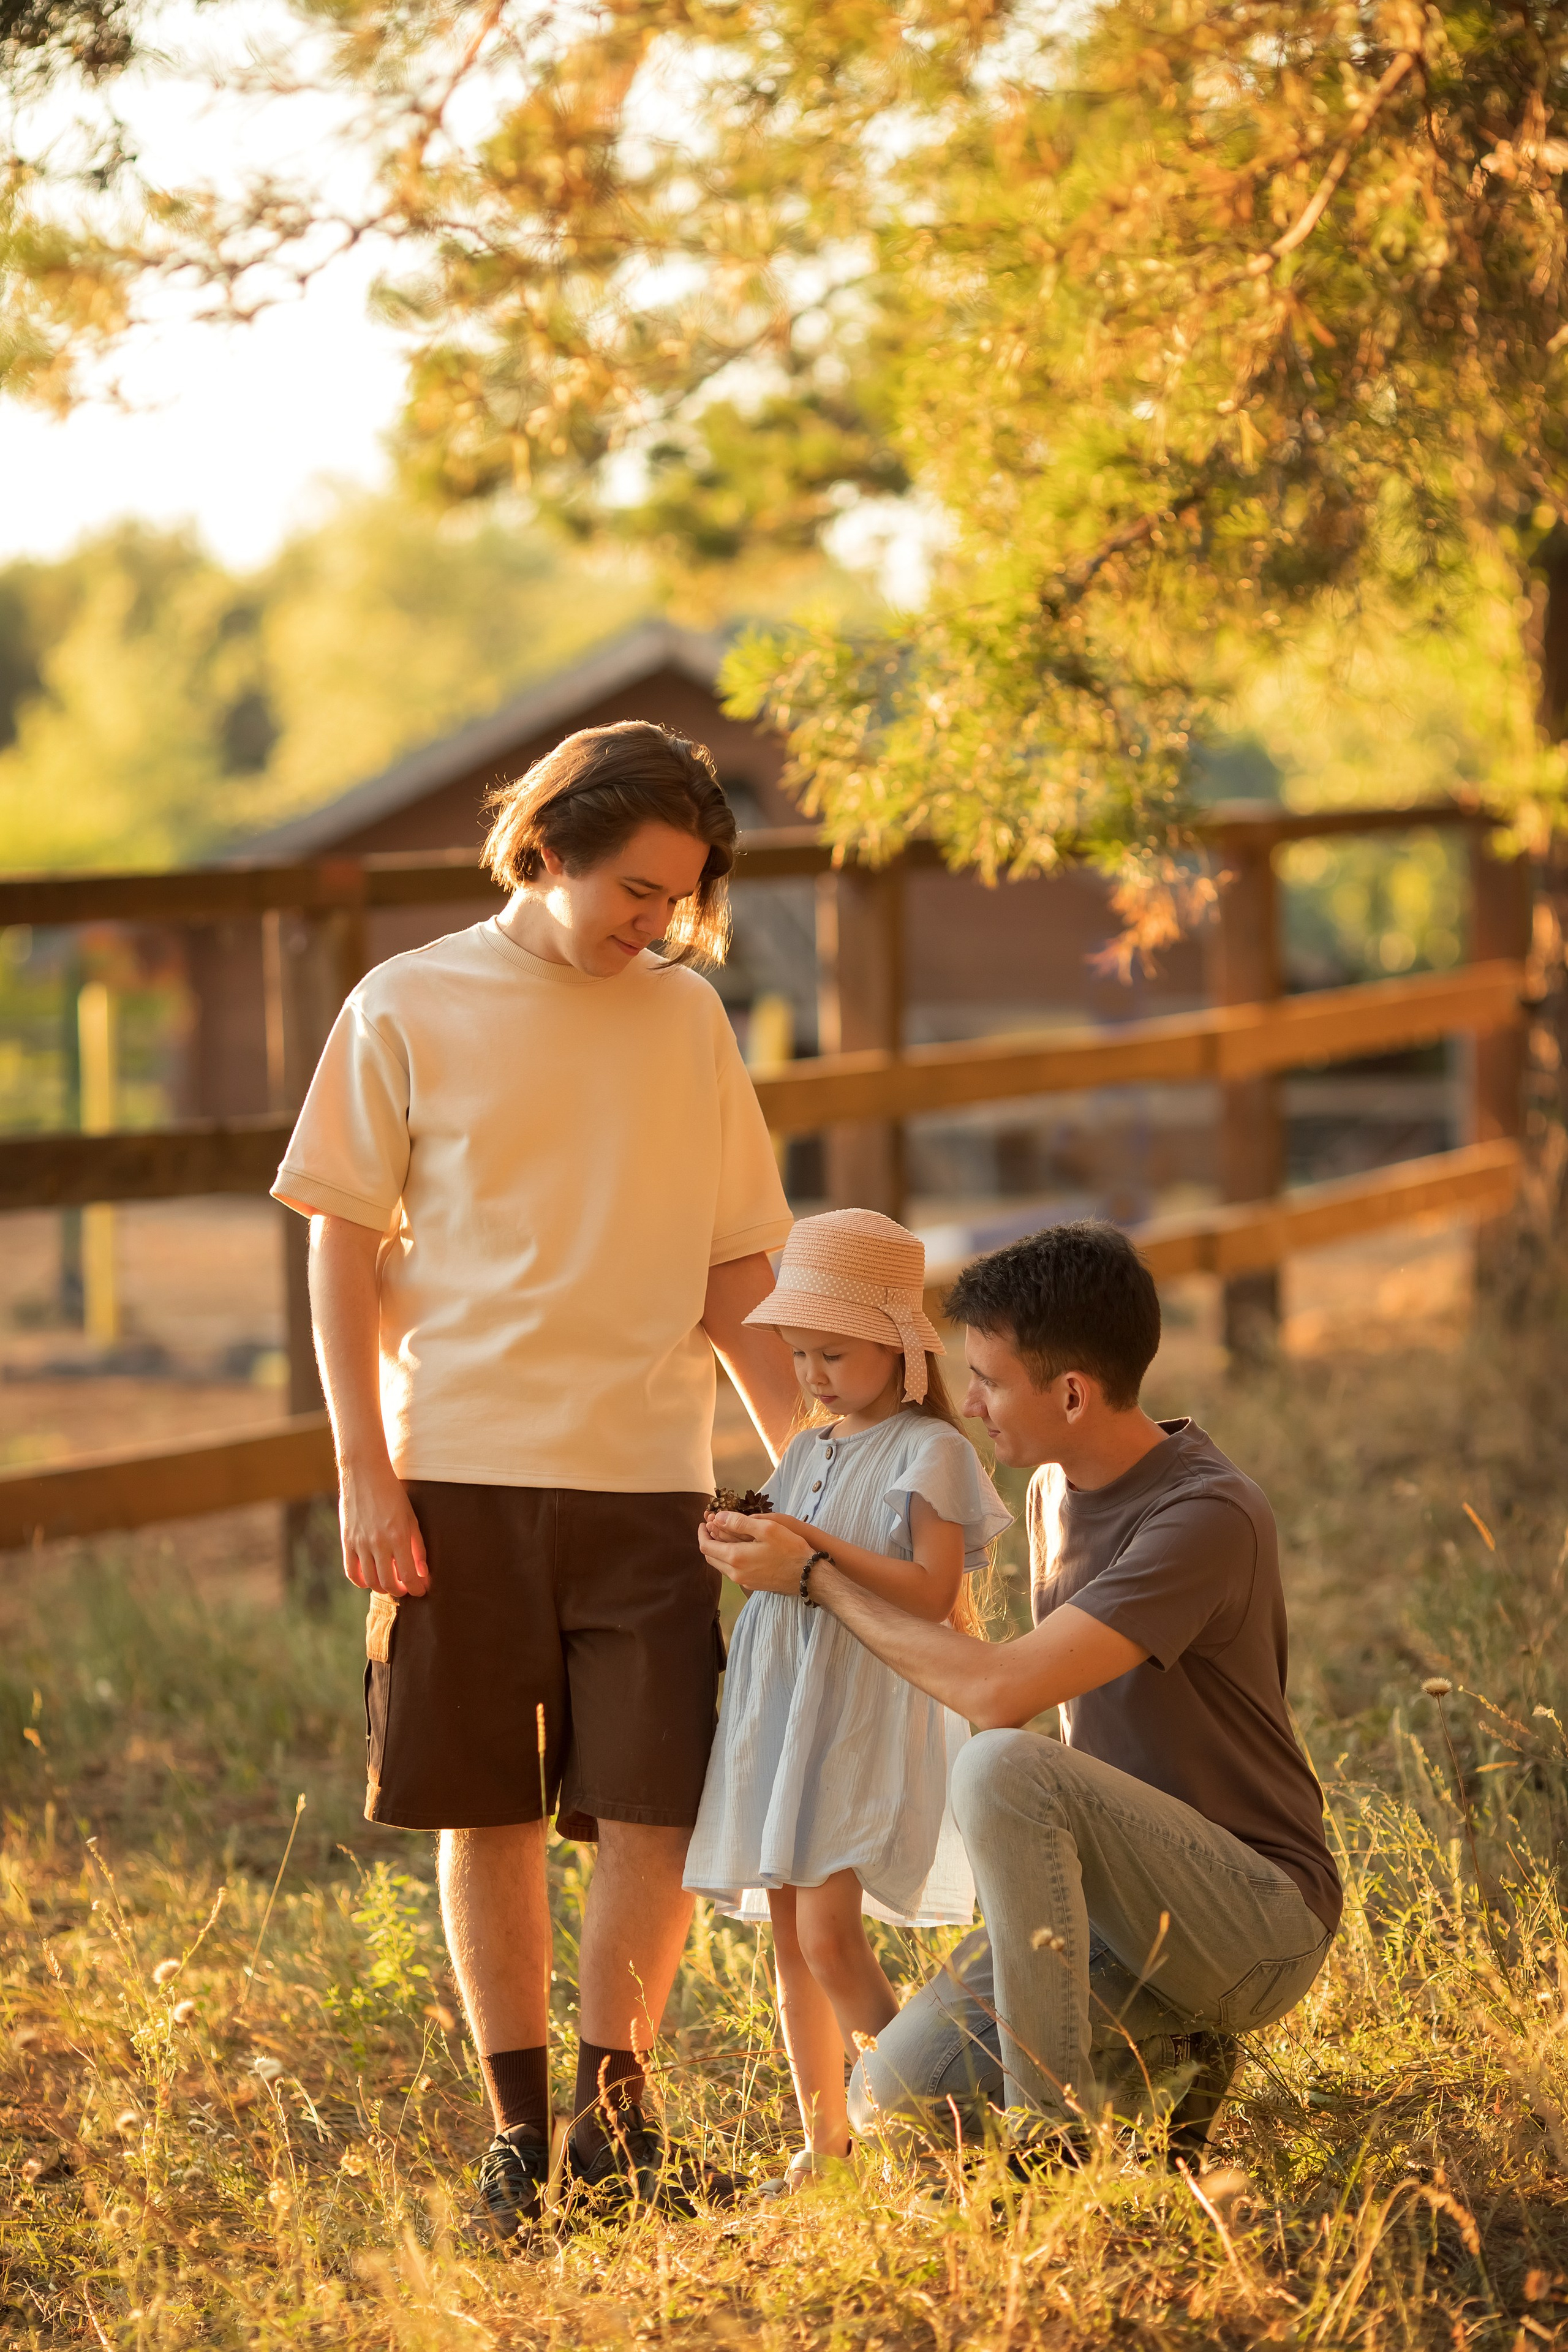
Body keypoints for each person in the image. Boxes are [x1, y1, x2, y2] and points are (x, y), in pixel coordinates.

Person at [271, 722, 799, 2236]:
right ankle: (519, 2143)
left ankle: (616, 2129)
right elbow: (338, 1242)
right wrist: (363, 1470)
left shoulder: (689, 1022)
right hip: (455, 1467)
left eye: (682, 898)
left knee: (657, 1803)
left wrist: (815, 1470)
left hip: (650, 1478)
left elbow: (733, 1264)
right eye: (637, 889)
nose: (661, 924)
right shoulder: (407, 1003)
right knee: (484, 1807)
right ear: (549, 844)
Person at [700, 1220, 1340, 2162]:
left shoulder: (1204, 1516)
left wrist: (815, 1578)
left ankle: (1054, 2140)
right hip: (1117, 1913)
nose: (967, 1401)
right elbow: (983, 1665)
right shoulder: (1049, 1493)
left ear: (1072, 1393)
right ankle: (1168, 2052)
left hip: (1252, 1918)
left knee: (1002, 1764)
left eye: (990, 1380)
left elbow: (1000, 1701)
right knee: (894, 2105)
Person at [687, 1210, 1010, 2188]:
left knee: (829, 1933)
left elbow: (931, 1592)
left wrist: (808, 1551)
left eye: (832, 1352)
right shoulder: (809, 1445)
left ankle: (950, 2126)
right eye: (798, 1353)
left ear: (900, 1348)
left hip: (859, 1704)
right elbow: (789, 1564)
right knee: (791, 1935)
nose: (813, 1373)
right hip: (788, 1705)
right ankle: (828, 2143)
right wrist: (746, 1547)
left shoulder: (930, 1453)